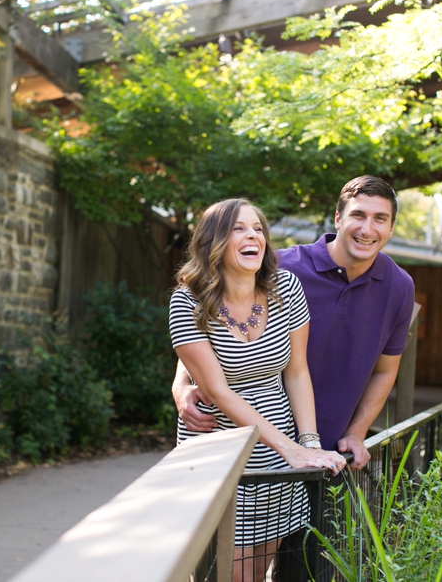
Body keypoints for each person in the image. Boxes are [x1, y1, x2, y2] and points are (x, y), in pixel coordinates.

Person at [174, 175, 415, 468]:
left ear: (391, 228)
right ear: (338, 218)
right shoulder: (276, 269)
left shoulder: (399, 287)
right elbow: (207, 324)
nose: (367, 229)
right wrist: (182, 384)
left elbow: (385, 372)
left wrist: (356, 431)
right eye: (358, 215)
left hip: (332, 446)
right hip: (259, 441)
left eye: (380, 218)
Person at [169, 198, 346, 582]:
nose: (253, 236)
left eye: (258, 228)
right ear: (213, 241)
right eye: (238, 228)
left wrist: (308, 444)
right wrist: (291, 450)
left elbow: (297, 372)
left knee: (257, 569)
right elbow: (217, 391)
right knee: (224, 572)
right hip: (221, 452)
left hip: (276, 452)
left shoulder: (286, 287)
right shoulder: (187, 303)